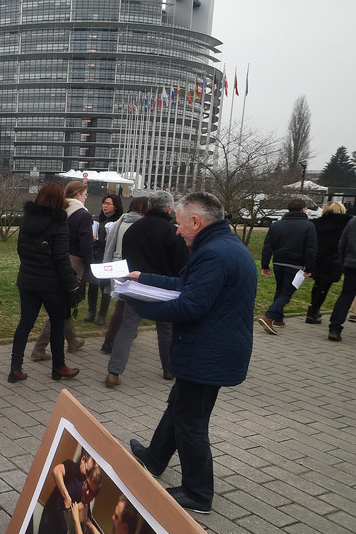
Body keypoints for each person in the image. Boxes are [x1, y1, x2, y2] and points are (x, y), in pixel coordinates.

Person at [127, 192, 256, 514]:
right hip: (211, 348)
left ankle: (198, 493)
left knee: (191, 422)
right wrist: (143, 279)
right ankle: (155, 457)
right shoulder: (222, 245)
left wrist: (135, 300)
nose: (177, 231)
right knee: (180, 406)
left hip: (208, 351)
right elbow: (188, 285)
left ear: (196, 222)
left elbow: (190, 304)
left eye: (180, 224)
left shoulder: (214, 254)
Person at [107, 190, 189, 385]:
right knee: (166, 331)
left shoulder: (134, 229)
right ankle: (169, 370)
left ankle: (113, 372)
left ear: (149, 206)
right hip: (163, 290)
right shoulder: (173, 232)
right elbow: (182, 264)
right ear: (169, 208)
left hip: (135, 288)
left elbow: (127, 259)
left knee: (126, 330)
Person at [9, 182, 81, 383]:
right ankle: (59, 367)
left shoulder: (26, 219)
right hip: (51, 284)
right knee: (58, 323)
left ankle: (15, 368)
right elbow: (61, 258)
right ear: (60, 199)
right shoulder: (59, 223)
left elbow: (20, 250)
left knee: (25, 323)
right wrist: (72, 284)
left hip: (26, 280)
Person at [31, 181, 94, 361]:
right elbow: (86, 245)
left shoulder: (59, 210)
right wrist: (91, 267)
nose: (86, 197)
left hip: (55, 260)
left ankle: (72, 340)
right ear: (78, 195)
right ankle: (39, 348)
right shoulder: (82, 214)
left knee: (63, 304)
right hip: (74, 264)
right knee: (61, 306)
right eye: (85, 194)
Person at [32, 451, 102, 534]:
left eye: (91, 492)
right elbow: (56, 471)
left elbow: (87, 516)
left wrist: (85, 532)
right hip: (51, 528)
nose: (87, 492)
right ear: (82, 460)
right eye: (87, 472)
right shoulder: (71, 469)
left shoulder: (82, 486)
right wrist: (66, 496)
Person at [257, 198, 317, 334]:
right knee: (287, 293)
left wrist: (265, 264)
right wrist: (310, 268)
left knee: (280, 290)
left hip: (278, 262)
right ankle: (269, 316)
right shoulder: (308, 226)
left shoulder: (276, 225)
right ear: (303, 209)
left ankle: (278, 318)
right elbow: (311, 249)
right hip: (295, 265)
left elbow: (267, 246)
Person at [100, 197, 147, 355]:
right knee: (125, 305)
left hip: (117, 264)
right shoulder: (141, 223)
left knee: (123, 304)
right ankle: (111, 338)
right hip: (131, 267)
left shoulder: (121, 220)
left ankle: (117, 336)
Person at [306, 202, 352, 324]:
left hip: (318, 257)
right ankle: (313, 311)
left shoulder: (316, 223)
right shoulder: (347, 223)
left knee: (318, 284)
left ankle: (313, 309)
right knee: (325, 286)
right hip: (335, 258)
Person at [85, 193, 123, 326]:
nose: (105, 206)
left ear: (116, 207)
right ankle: (91, 311)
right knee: (93, 285)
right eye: (104, 203)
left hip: (108, 258)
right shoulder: (96, 218)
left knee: (105, 287)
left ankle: (102, 314)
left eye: (108, 204)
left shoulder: (118, 222)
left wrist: (109, 240)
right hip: (96, 255)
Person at [328, 216, 356, 341]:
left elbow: (343, 242)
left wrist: (343, 261)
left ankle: (335, 327)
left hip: (351, 264)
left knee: (346, 295)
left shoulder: (353, 221)